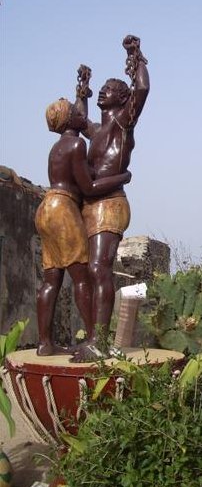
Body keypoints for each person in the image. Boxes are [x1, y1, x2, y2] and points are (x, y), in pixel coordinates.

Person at [35, 67, 131, 356]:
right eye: (74, 111)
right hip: (64, 209)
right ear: (70, 119)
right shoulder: (77, 143)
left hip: (45, 208)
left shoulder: (57, 147)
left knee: (52, 278)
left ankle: (45, 343)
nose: (81, 113)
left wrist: (82, 90)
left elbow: (82, 117)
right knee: (82, 275)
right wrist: (123, 177)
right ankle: (95, 339)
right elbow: (88, 188)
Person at [77, 35, 150, 358]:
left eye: (110, 88)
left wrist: (137, 59)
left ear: (122, 99)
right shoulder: (97, 131)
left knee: (99, 269)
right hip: (90, 204)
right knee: (89, 270)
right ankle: (94, 335)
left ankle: (100, 341)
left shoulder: (122, 123)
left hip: (110, 203)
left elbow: (144, 90)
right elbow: (79, 120)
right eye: (102, 89)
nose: (104, 92)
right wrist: (83, 89)